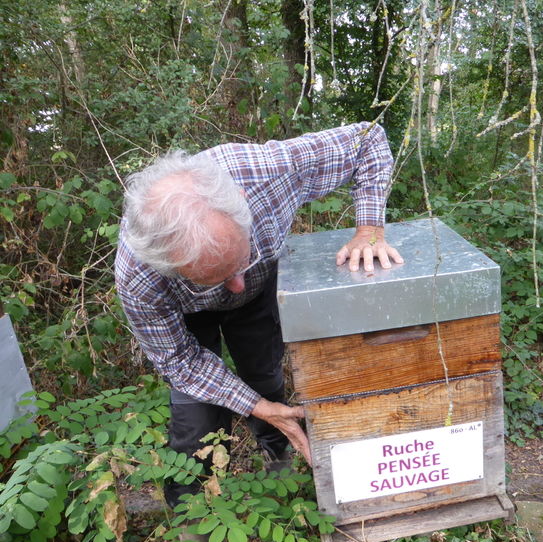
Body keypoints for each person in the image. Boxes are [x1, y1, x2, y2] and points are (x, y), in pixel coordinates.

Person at [114, 122, 404, 509]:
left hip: (260, 291)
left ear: (242, 204)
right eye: (214, 277)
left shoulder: (266, 172)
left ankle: (277, 461)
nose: (234, 285)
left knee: (264, 376)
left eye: (239, 260)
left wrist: (369, 230)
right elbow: (180, 362)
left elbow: (368, 140)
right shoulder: (139, 276)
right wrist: (255, 407)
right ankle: (191, 516)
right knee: (196, 417)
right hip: (187, 316)